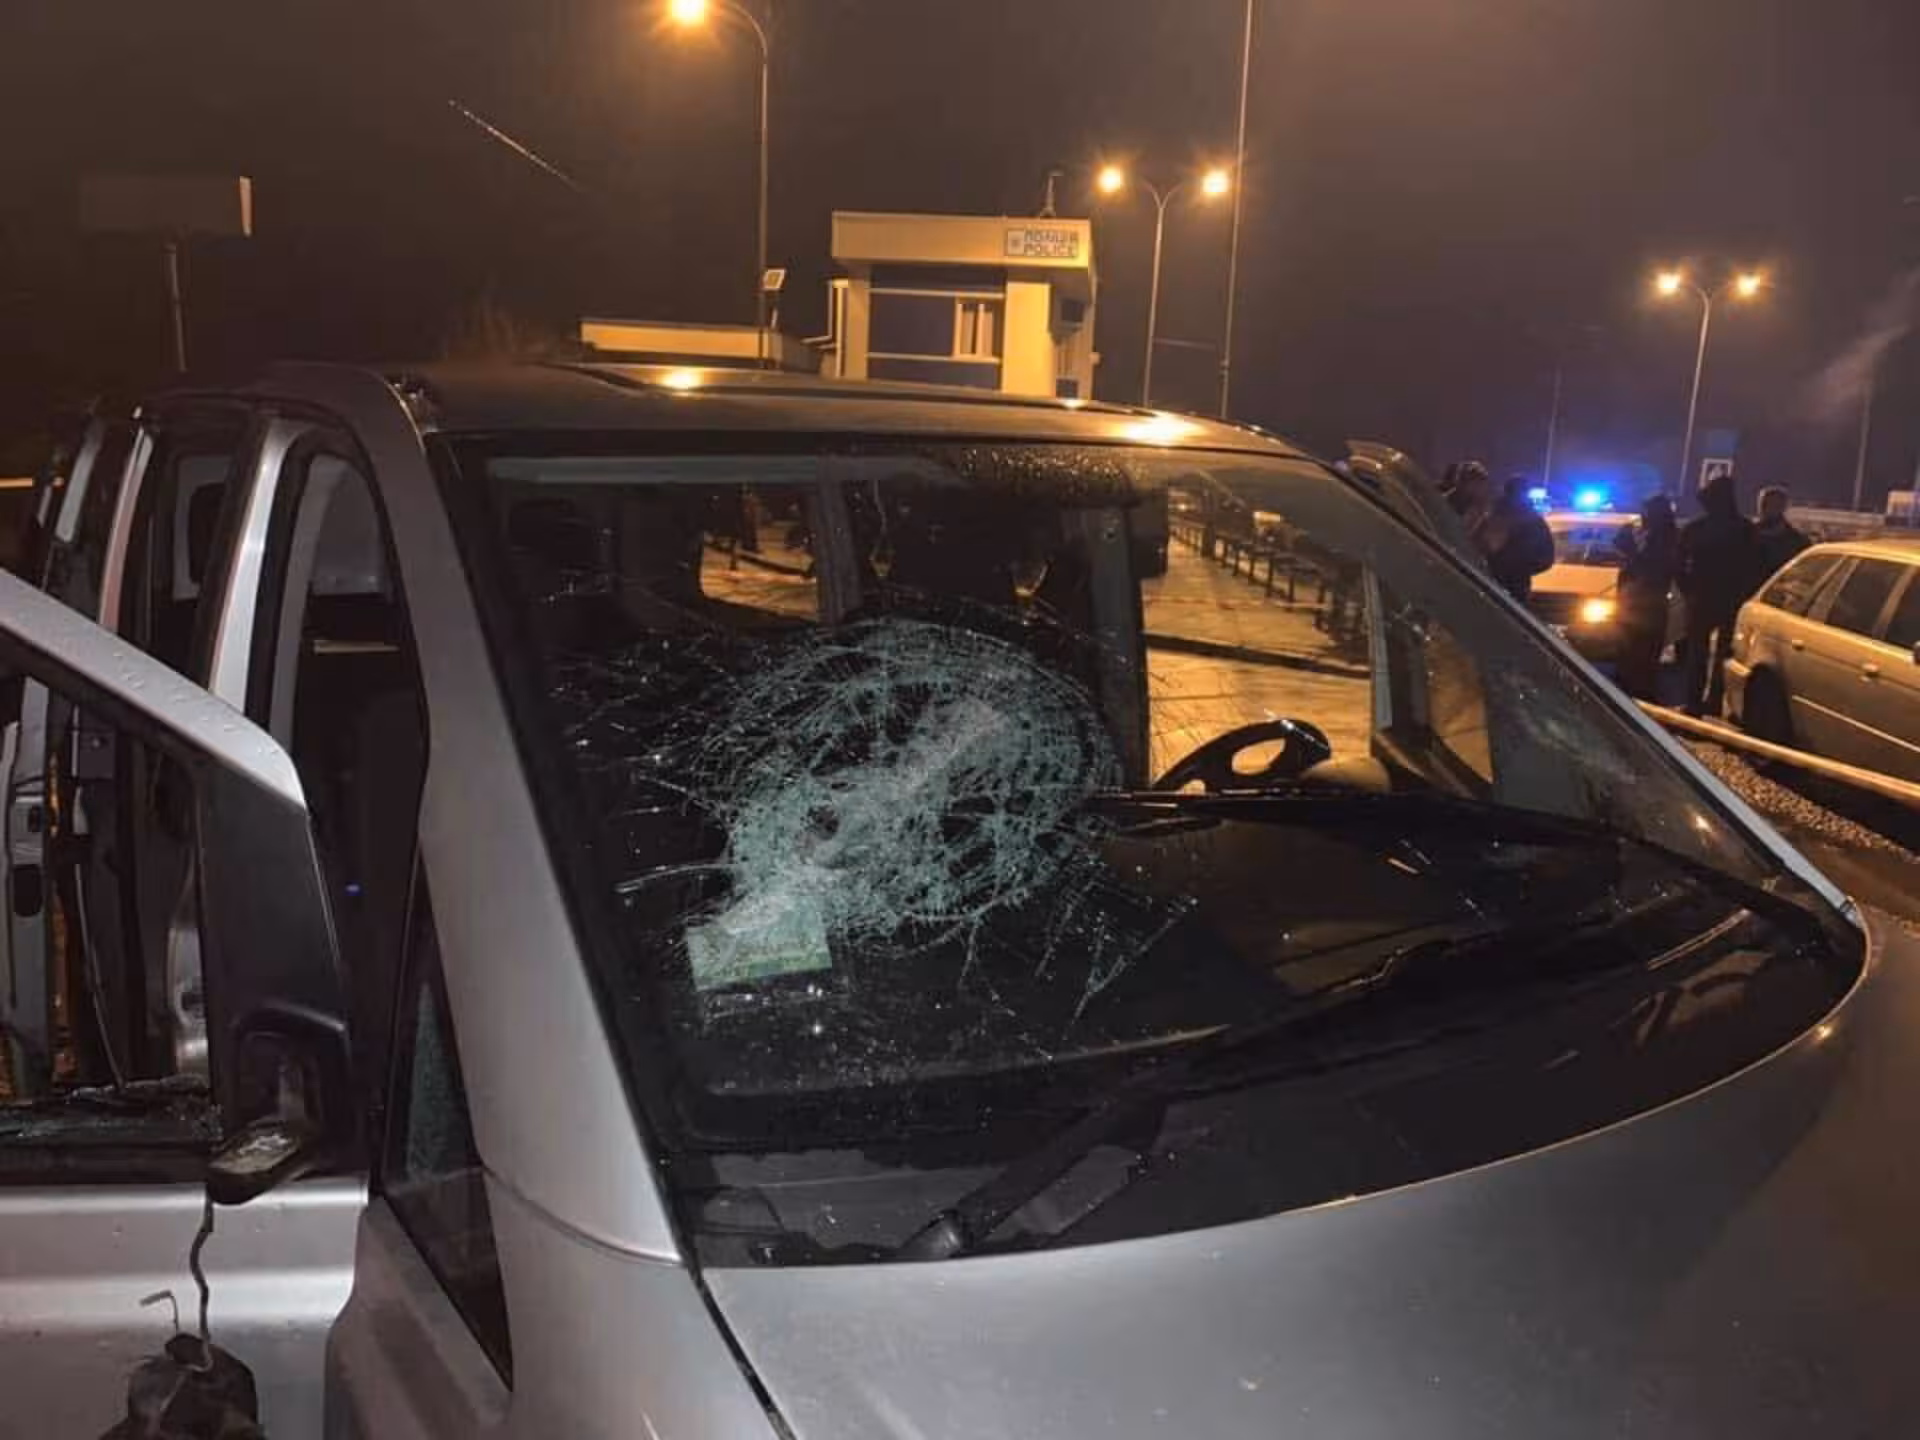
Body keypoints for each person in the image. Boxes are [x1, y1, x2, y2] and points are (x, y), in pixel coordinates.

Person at [1675, 469, 1759, 715]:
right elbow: (1754, 566)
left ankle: (1694, 703)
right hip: (1729, 599)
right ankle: (1713, 700)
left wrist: (1688, 589)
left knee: (1698, 653)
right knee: (1722, 653)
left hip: (1704, 597)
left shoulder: (1697, 528)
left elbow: (1678, 563)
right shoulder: (1744, 528)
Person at [1613, 493, 1679, 700]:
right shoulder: (1644, 535)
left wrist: (1631, 550)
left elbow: (1652, 567)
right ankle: (1632, 686)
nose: (1644, 516)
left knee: (1642, 650)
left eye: (1648, 512)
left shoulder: (1665, 539)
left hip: (1648, 603)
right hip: (1635, 602)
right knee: (1631, 649)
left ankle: (1639, 689)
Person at [1485, 476, 1556, 601]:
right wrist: (1521, 571)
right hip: (1503, 584)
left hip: (1489, 581)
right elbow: (1546, 557)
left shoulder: (1490, 514)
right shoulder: (1533, 521)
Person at [1753, 485, 1811, 581]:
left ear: (1782, 507)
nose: (1764, 509)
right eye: (1763, 504)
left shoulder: (1797, 542)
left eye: (1770, 505)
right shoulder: (1746, 535)